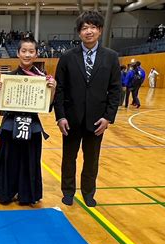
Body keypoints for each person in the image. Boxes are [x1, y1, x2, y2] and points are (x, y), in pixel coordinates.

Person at [52, 11, 121, 207]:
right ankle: (67, 191)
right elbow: (60, 89)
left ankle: (89, 192)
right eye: (84, 28)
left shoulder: (111, 57)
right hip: (71, 119)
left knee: (92, 160)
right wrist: (60, 117)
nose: (88, 31)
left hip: (97, 120)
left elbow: (115, 90)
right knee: (68, 158)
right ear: (79, 32)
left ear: (99, 30)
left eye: (93, 27)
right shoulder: (67, 57)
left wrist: (108, 118)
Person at [0, 37, 56, 205]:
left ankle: (27, 194)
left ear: (36, 54)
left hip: (32, 125)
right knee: (9, 159)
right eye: (24, 51)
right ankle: (6, 193)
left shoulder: (43, 79)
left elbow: (48, 107)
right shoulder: (9, 77)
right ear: (18, 53)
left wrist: (53, 90)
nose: (27, 54)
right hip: (10, 124)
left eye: (31, 51)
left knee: (30, 160)